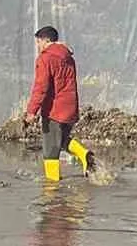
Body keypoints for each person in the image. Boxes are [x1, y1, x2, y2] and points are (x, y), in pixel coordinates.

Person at [25, 25, 94, 181]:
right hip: (70, 107)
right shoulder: (68, 57)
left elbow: (41, 87)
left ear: (46, 40)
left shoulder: (45, 58)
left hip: (54, 110)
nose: (38, 46)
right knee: (62, 141)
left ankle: (52, 187)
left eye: (39, 42)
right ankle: (84, 154)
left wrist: (31, 111)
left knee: (51, 149)